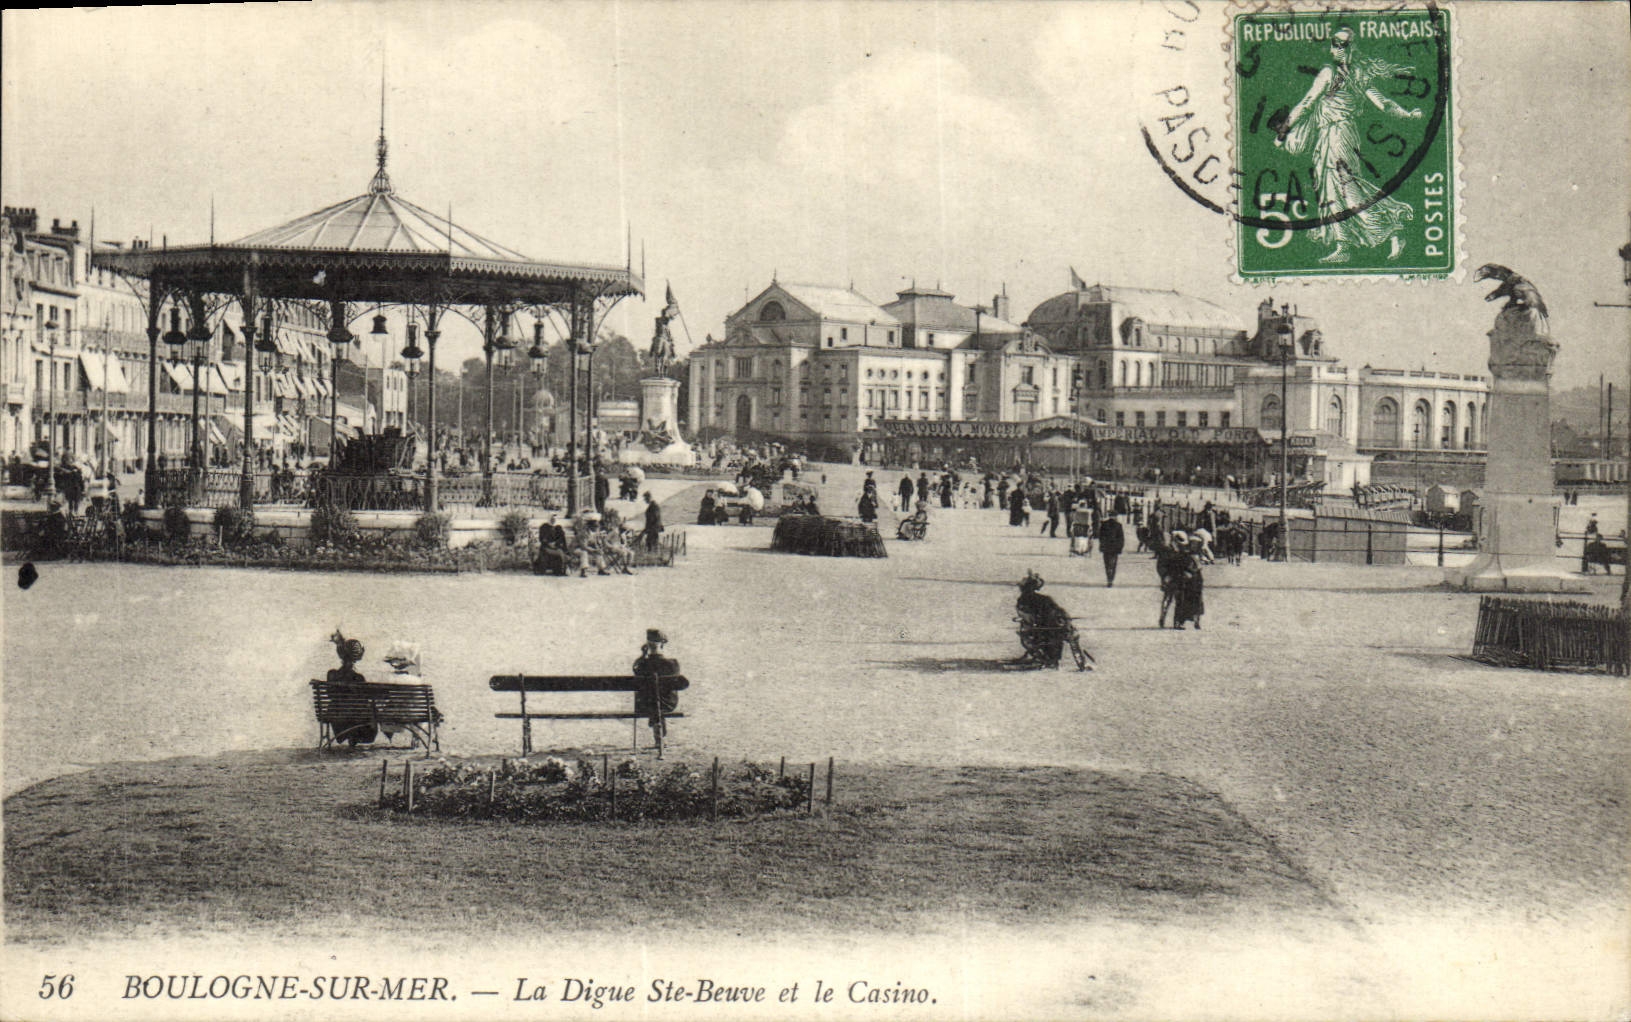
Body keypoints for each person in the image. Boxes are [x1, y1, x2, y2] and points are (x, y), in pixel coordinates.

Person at [1273, 25, 1421, 264]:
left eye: (1343, 44)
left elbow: (1307, 103)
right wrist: (1408, 114)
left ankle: (1393, 229)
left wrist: (1283, 132)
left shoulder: (1338, 74)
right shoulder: (1351, 74)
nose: (1338, 49)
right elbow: (1382, 103)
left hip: (1339, 135)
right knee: (1330, 189)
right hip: (1332, 135)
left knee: (1347, 189)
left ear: (1353, 47)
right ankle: (1344, 246)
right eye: (1335, 43)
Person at [325, 630, 377, 746]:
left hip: (337, 718)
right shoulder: (359, 678)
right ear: (357, 657)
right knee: (369, 709)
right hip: (355, 718)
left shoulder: (331, 674)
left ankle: (348, 736)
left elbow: (330, 695)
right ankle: (356, 736)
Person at [1014, 571, 1073, 668]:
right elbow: (1057, 610)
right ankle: (1052, 659)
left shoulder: (1022, 599)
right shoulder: (1044, 599)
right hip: (1046, 627)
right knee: (1058, 629)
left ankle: (1048, 657)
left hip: (1037, 626)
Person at [632, 629, 682, 738]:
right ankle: (659, 731)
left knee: (653, 700)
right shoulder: (673, 664)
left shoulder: (642, 664)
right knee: (658, 701)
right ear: (662, 644)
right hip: (667, 704)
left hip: (645, 704)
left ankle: (656, 725)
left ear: (647, 645)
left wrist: (642, 655)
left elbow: (635, 670)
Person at [1171, 534, 1207, 630]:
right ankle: (1180, 621)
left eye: (1196, 544)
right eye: (1192, 544)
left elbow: (1199, 567)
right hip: (1184, 580)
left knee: (1197, 600)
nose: (1194, 546)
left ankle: (1196, 620)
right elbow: (1177, 566)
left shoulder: (1199, 554)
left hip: (1196, 580)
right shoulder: (1183, 553)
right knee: (1182, 600)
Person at [1098, 513, 1125, 587]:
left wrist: (1102, 546)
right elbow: (1121, 539)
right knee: (1113, 564)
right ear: (1115, 516)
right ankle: (1111, 579)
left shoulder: (1104, 524)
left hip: (1106, 548)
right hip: (1114, 548)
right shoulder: (1118, 525)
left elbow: (1100, 536)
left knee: (1107, 564)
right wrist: (1120, 548)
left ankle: (1108, 578)